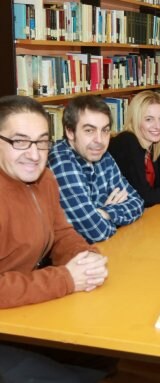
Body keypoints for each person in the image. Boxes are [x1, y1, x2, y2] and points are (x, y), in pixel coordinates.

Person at [0, 95, 110, 382]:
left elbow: (61, 233)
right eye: (20, 141)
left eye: (42, 141)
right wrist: (66, 279)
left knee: (103, 354)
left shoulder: (45, 179)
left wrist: (86, 258)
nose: (34, 154)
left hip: (20, 311)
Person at [48, 95, 144, 244]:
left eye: (105, 130)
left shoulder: (100, 154)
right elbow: (96, 232)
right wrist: (114, 216)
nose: (99, 140)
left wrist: (105, 212)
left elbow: (137, 202)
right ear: (70, 132)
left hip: (105, 249)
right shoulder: (61, 161)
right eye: (89, 131)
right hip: (70, 260)